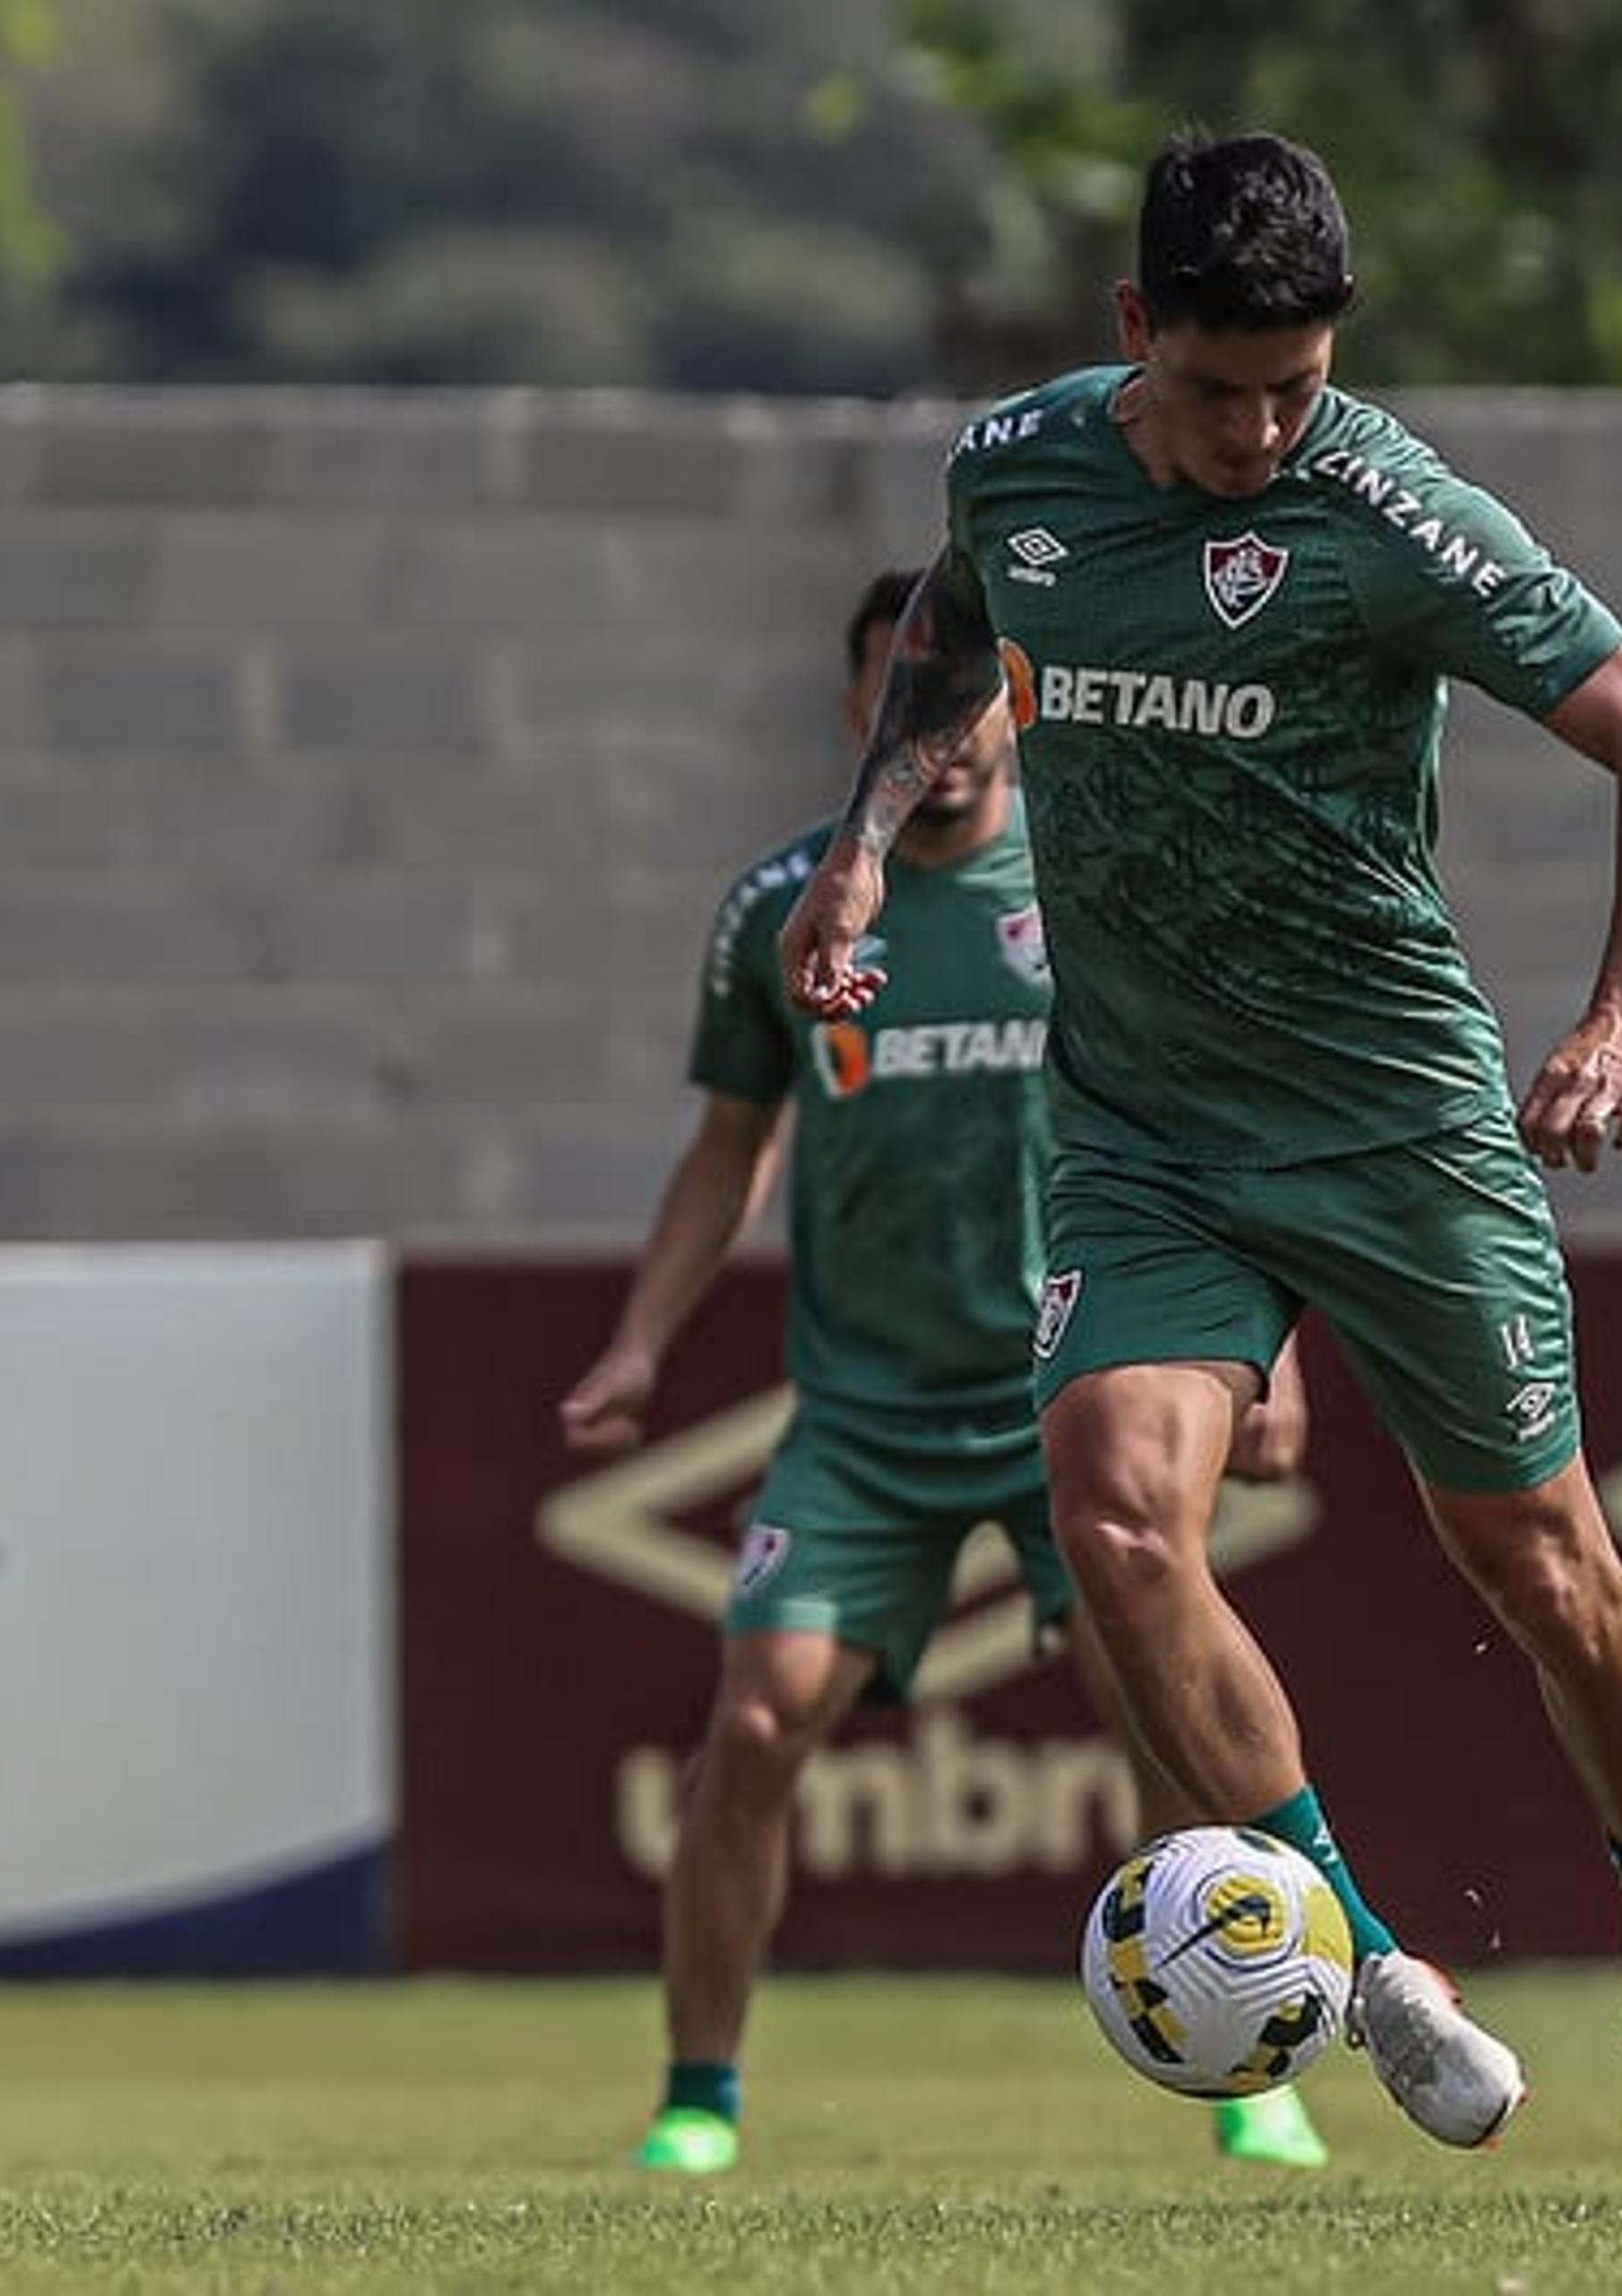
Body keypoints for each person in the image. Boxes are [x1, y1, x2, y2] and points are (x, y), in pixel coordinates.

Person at [774, 130, 1622, 2214]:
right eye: (1222, 389)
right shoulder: (1020, 468)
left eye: (1296, 387)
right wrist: (866, 838)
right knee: (1122, 1519)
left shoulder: (1385, 507)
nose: (1259, 432)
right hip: (1144, 1127)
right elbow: (958, 629)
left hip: (1395, 1115)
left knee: (1545, 1569)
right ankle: (1364, 1958)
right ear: (1136, 332)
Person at [560, 568, 1330, 2179]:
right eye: (917, 701)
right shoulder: (789, 904)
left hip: (1087, 1389)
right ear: (866, 722)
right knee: (758, 1726)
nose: (952, 733)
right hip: (862, 1415)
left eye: (976, 700)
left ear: (1018, 707)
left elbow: (1215, 1130)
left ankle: (1249, 2068)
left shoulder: (1097, 890)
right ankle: (699, 2095)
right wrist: (640, 1340)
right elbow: (727, 1149)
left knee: (1163, 1711)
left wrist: (1273, 1357)